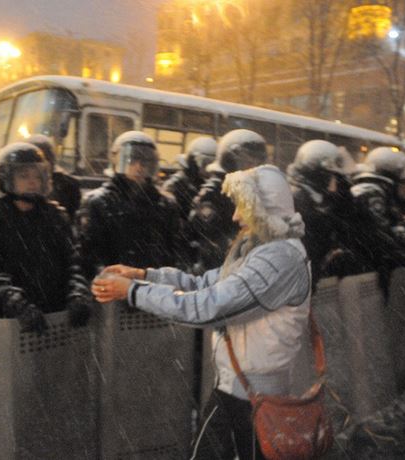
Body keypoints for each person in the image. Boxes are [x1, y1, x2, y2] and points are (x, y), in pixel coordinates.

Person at [92, 165, 310, 459]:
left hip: (255, 399)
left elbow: (208, 306)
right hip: (238, 392)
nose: (235, 217)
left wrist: (133, 292)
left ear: (266, 208)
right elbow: (202, 284)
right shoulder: (263, 250)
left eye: (244, 207)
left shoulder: (278, 258)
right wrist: (145, 275)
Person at [0, 142, 91, 332]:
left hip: (55, 319)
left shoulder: (55, 217)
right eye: (24, 176)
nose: (32, 182)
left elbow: (73, 262)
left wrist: (78, 294)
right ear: (6, 178)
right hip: (9, 325)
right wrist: (17, 305)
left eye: (37, 176)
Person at [77, 131, 182, 279]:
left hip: (152, 284)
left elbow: (173, 252)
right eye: (131, 160)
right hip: (113, 284)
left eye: (144, 161)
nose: (139, 167)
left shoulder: (165, 204)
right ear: (116, 161)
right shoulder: (98, 202)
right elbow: (88, 255)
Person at [188, 129, 266, 272]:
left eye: (257, 162)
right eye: (249, 161)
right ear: (230, 159)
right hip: (217, 272)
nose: (254, 167)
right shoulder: (213, 193)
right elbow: (212, 240)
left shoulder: (242, 189)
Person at [287, 139, 351, 285]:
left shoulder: (314, 197)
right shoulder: (299, 198)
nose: (333, 181)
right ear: (318, 174)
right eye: (330, 175)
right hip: (301, 283)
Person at [27, 134, 82, 220]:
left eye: (40, 161)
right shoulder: (17, 183)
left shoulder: (69, 185)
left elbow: (73, 220)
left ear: (50, 161)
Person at [163, 136, 217, 220]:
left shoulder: (205, 183)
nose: (209, 169)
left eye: (212, 163)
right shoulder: (175, 185)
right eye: (205, 163)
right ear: (193, 162)